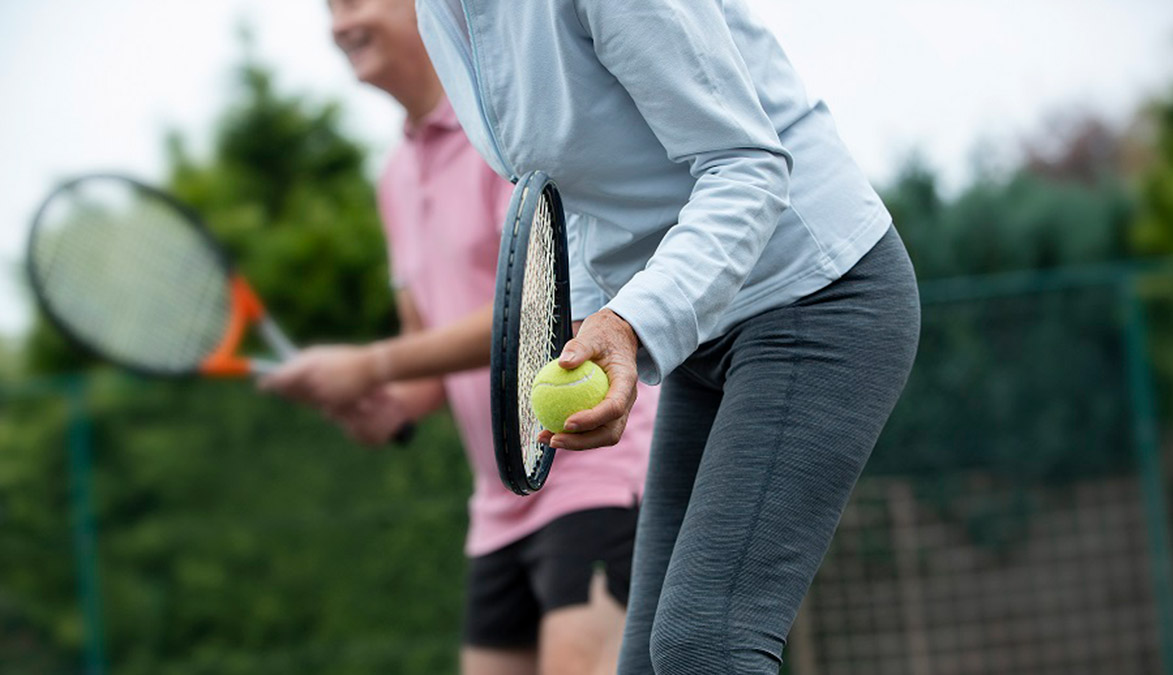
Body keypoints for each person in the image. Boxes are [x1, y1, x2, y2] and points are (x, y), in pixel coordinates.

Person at [267, 0, 920, 673]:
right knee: (645, 663)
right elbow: (568, 195)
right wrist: (584, 328)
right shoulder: (446, 14)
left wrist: (628, 321)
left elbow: (747, 165)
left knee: (704, 644)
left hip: (816, 290)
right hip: (707, 337)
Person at [284, 1, 660, 673]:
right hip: (498, 504)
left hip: (594, 474)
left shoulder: (507, 130)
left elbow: (543, 312)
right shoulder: (394, 177)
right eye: (330, 8)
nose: (339, 24)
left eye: (353, 1)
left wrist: (369, 364)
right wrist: (389, 403)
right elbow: (421, 352)